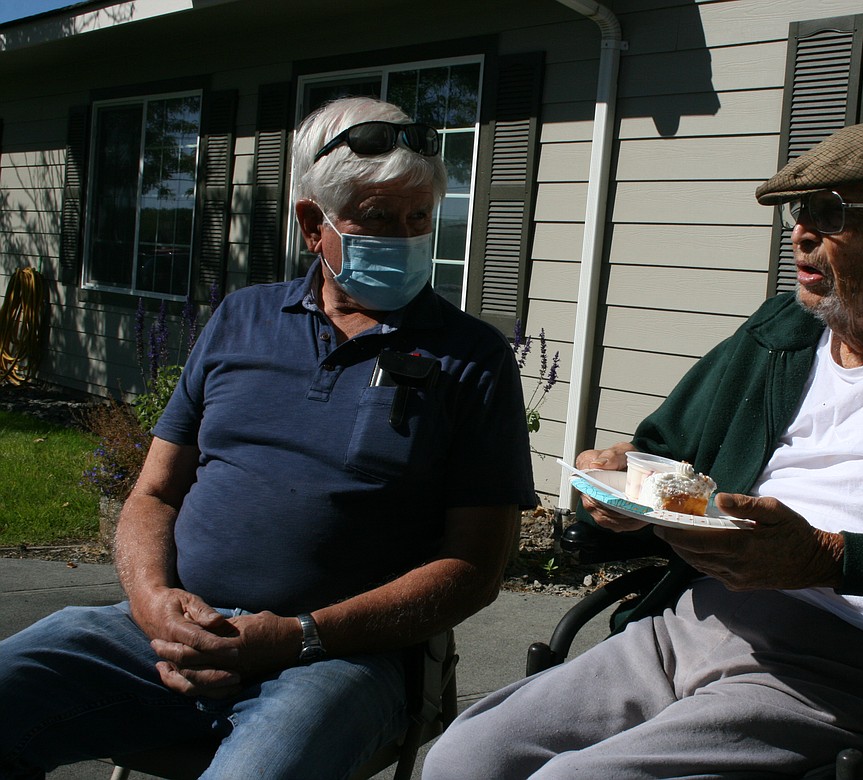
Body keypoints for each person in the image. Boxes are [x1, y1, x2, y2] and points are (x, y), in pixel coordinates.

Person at [421, 120, 863, 779]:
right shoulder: (780, 329)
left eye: (831, 214)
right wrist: (623, 489)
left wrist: (828, 557)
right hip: (691, 617)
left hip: (855, 659)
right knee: (465, 757)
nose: (801, 233)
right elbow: (661, 453)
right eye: (800, 212)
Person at [0, 96, 536, 779]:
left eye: (419, 218)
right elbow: (156, 493)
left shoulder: (473, 358)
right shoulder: (239, 319)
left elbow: (474, 568)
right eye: (378, 219)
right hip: (169, 633)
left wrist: (298, 636)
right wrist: (155, 607)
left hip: (338, 661)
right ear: (313, 225)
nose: (405, 237)